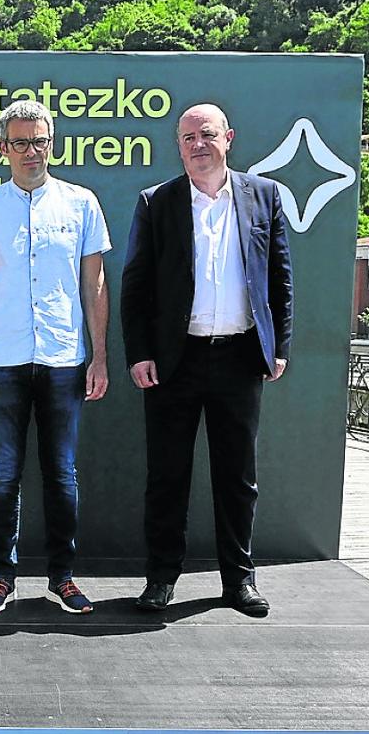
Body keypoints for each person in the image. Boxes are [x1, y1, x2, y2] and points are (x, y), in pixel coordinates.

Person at [121, 102, 294, 618]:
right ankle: (160, 579)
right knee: (167, 476)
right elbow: (136, 287)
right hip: (175, 361)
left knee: (237, 477)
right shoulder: (158, 202)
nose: (198, 143)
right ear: (179, 145)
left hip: (241, 358)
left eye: (207, 134)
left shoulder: (264, 197)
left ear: (229, 138)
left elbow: (280, 279)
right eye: (188, 136)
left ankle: (239, 581)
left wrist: (278, 346)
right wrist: (139, 355)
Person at [0, 99, 110, 615]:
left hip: (65, 357)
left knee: (62, 474)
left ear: (53, 143)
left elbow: (95, 284)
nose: (30, 151)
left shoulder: (82, 203)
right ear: (3, 148)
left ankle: (62, 577)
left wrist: (100, 356)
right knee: (3, 474)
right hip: (1, 360)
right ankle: (2, 576)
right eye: (19, 142)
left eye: (39, 140)